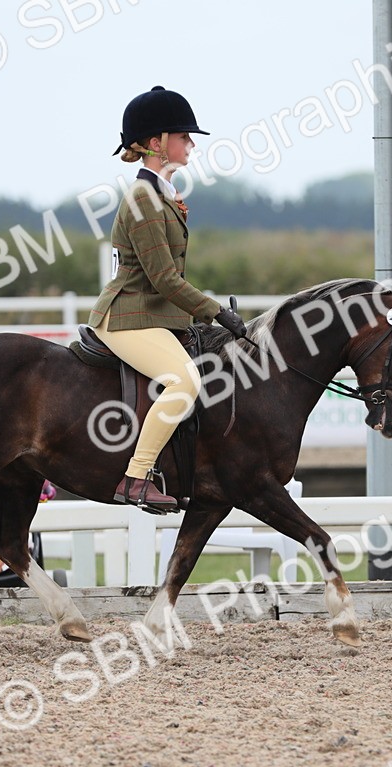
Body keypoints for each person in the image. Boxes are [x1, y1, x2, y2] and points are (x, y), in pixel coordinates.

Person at [89, 85, 247, 513]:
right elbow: (162, 279)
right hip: (126, 316)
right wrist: (217, 315)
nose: (191, 144)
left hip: (153, 315)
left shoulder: (161, 194)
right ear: (158, 144)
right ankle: (136, 477)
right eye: (184, 136)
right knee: (184, 382)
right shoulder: (143, 198)